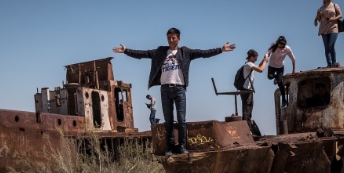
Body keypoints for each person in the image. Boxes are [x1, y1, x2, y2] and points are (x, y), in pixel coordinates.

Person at [113, 27, 235, 156]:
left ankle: (182, 146)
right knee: (168, 121)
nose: (171, 40)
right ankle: (169, 148)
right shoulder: (160, 52)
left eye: (173, 38)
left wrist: (221, 50)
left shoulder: (185, 52)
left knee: (181, 120)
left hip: (179, 89)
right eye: (169, 38)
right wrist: (126, 51)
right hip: (165, 89)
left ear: (178, 38)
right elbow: (142, 54)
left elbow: (203, 53)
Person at [239, 49, 269, 132]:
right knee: (247, 109)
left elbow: (258, 66)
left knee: (249, 109)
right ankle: (246, 131)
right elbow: (261, 70)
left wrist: (263, 60)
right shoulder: (248, 64)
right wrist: (266, 61)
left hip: (247, 89)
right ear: (251, 57)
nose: (256, 59)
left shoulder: (249, 64)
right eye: (255, 58)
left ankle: (247, 130)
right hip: (246, 90)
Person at [265, 36, 296, 108]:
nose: (281, 48)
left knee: (280, 82)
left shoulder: (287, 49)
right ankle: (276, 78)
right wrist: (266, 57)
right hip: (272, 66)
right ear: (277, 43)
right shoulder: (274, 46)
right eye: (280, 46)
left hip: (280, 67)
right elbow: (267, 53)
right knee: (270, 77)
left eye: (282, 46)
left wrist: (294, 69)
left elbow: (293, 59)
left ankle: (284, 100)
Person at [314, 0, 342, 67]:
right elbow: (320, 20)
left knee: (331, 45)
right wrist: (318, 15)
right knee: (326, 47)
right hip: (324, 28)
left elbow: (340, 15)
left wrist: (333, 19)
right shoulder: (321, 8)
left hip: (333, 27)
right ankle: (329, 64)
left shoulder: (335, 5)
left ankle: (334, 63)